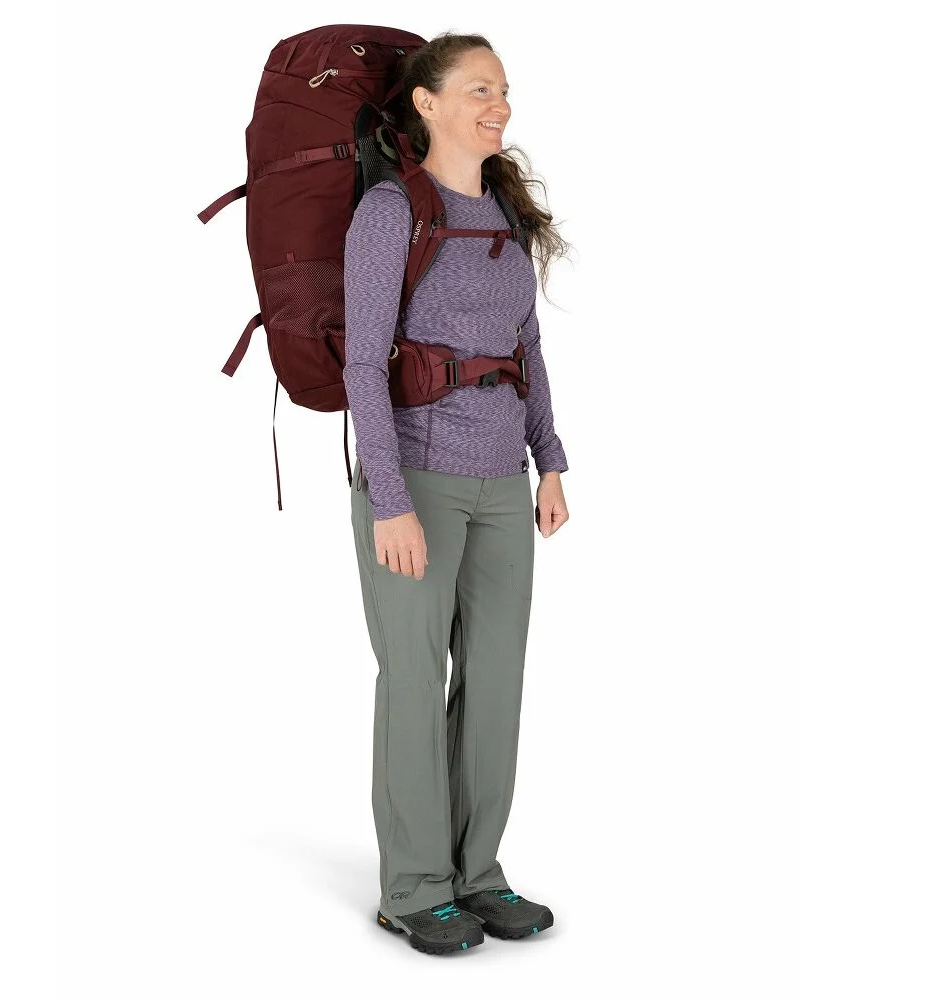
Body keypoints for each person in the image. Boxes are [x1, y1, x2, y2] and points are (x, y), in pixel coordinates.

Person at [344, 31, 571, 956]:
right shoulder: (391, 211)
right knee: (413, 679)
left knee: (496, 683)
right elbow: (363, 365)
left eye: (503, 89)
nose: (499, 104)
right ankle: (414, 887)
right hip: (417, 479)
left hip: (503, 484)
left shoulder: (505, 215)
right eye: (480, 89)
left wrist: (549, 459)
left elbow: (527, 349)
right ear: (427, 103)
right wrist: (389, 499)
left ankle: (477, 874)